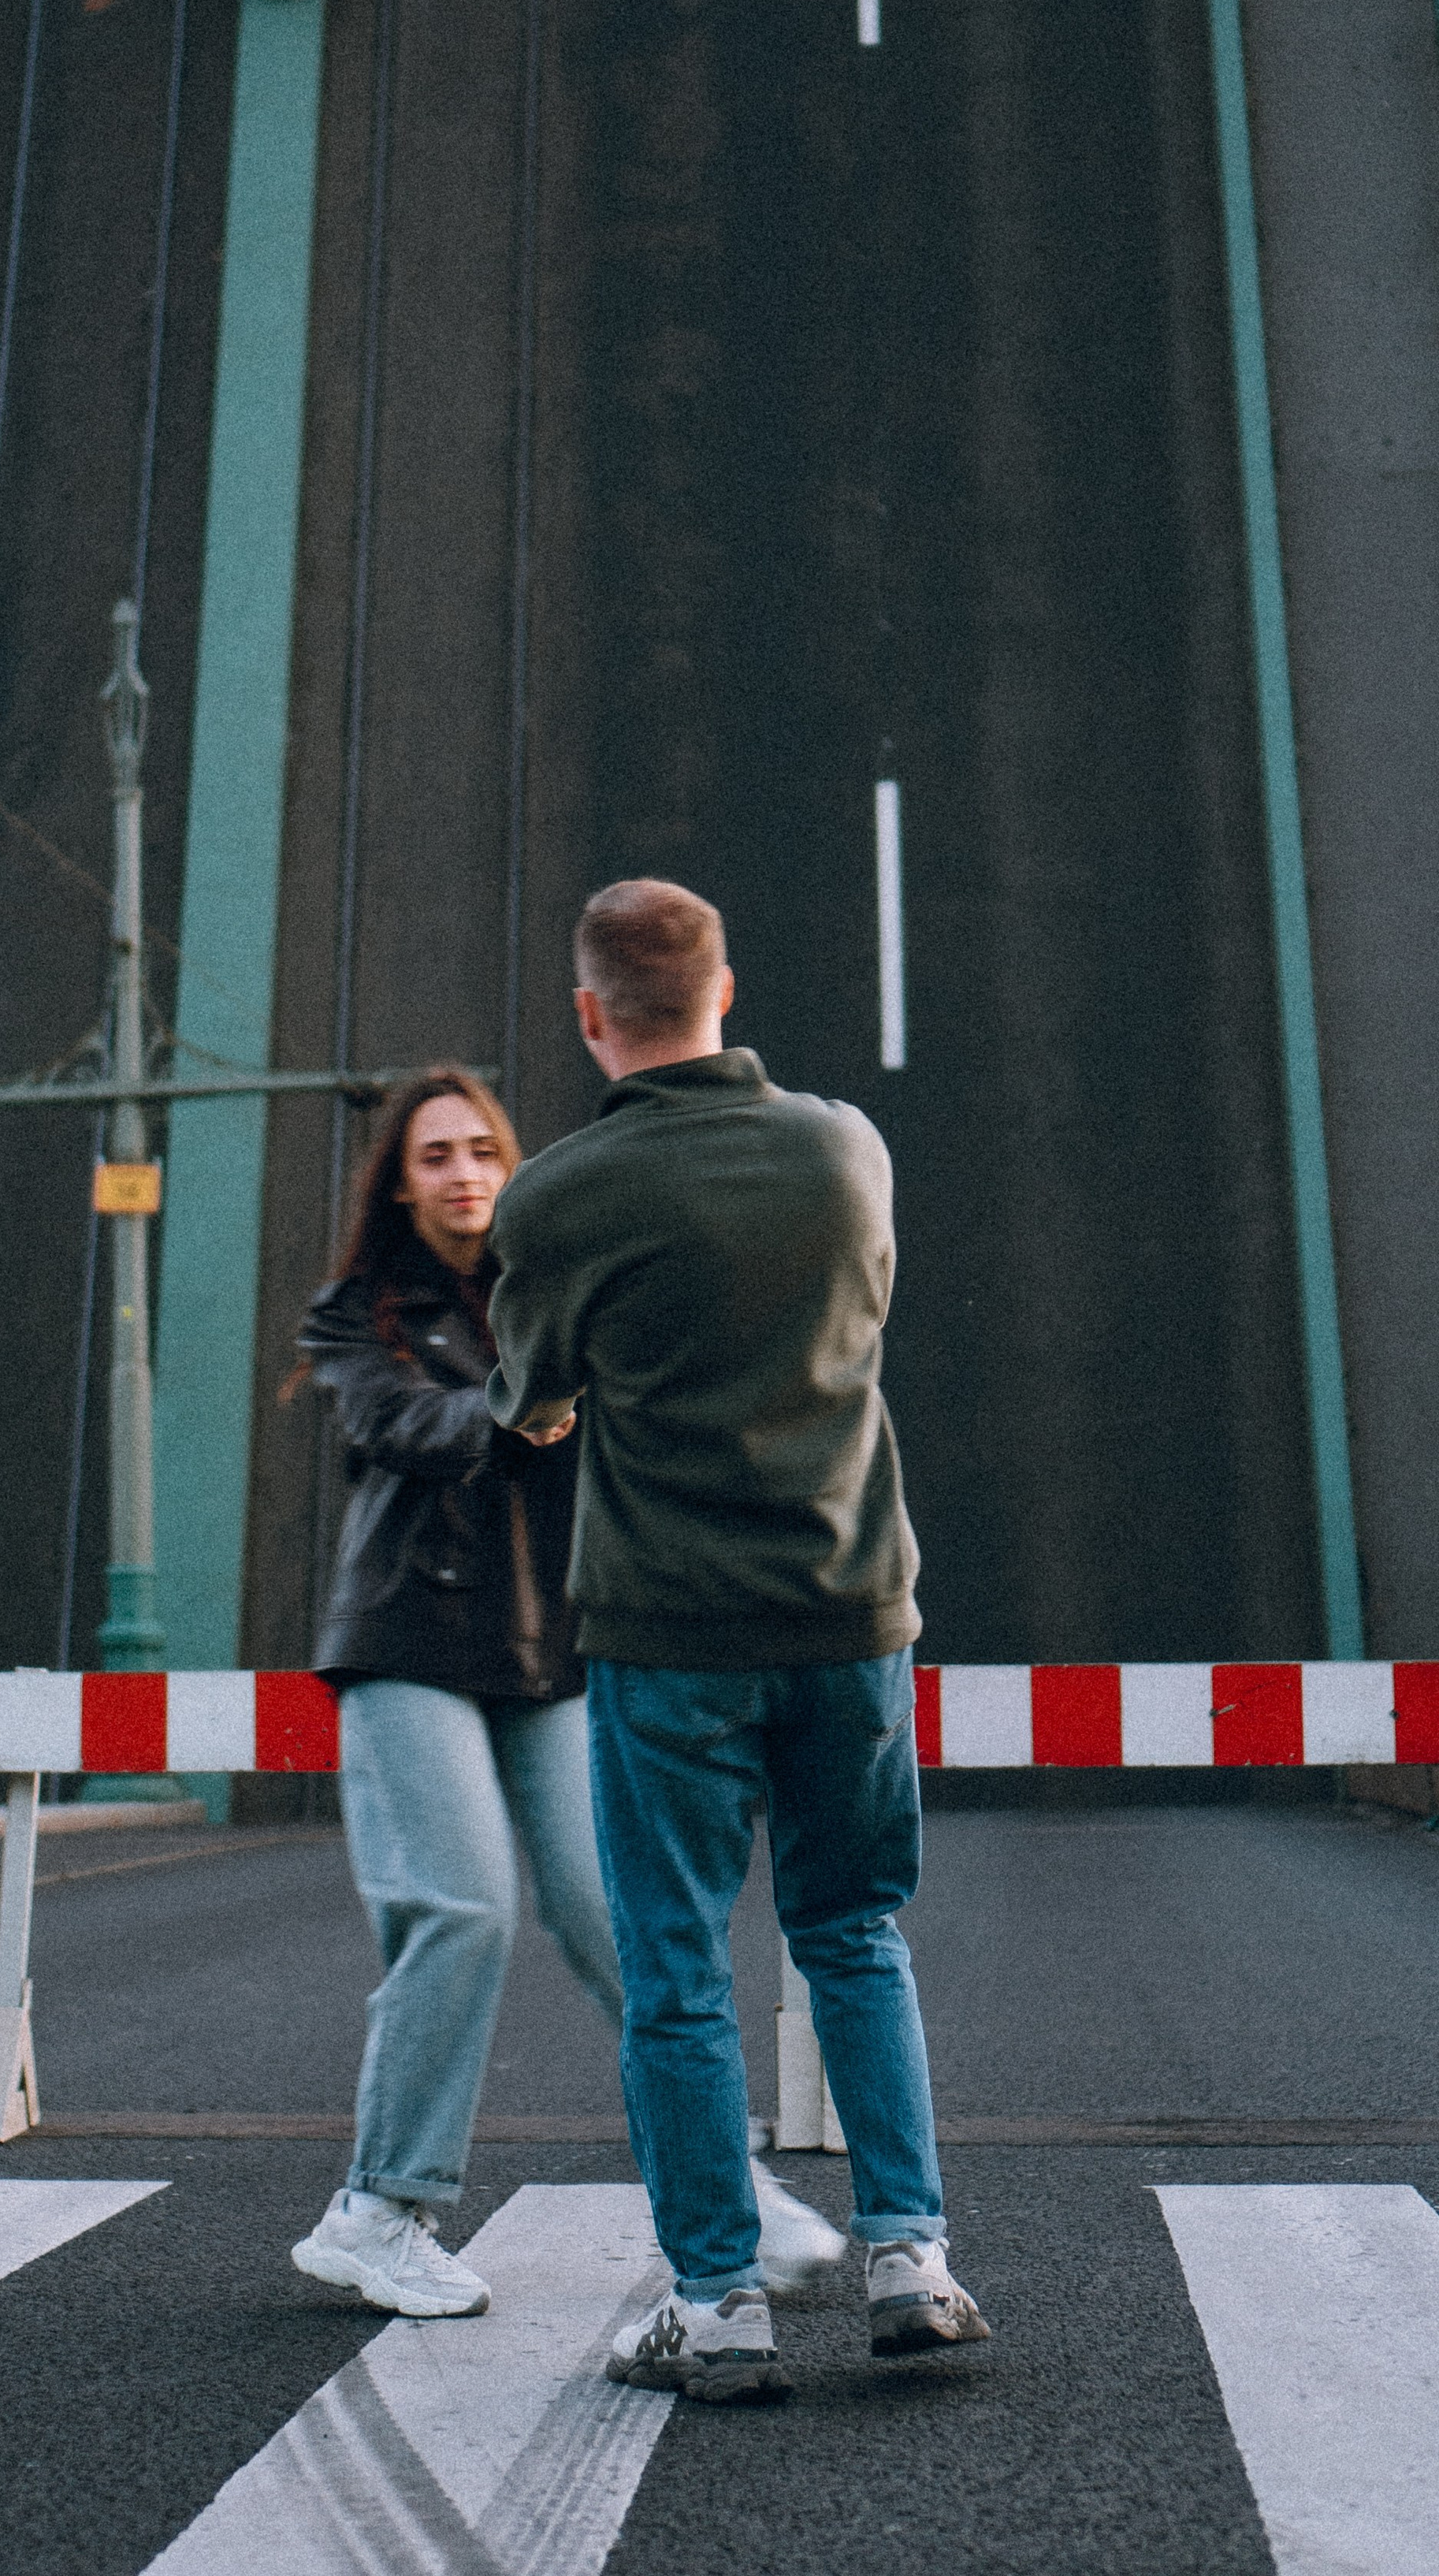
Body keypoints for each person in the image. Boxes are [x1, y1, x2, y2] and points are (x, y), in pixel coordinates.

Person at [485, 880, 989, 2406]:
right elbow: (859, 1318)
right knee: (853, 1930)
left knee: (677, 1967)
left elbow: (531, 1402)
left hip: (670, 1632)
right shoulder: (844, 1149)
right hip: (848, 1610)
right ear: (726, 989)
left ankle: (715, 2305)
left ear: (590, 1014)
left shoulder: (556, 1197)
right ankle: (911, 2258)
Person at [284, 1067, 622, 2320]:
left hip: (546, 1645)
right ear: (401, 1184)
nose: (465, 1172)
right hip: (408, 1636)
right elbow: (397, 1424)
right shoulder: (354, 1316)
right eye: (436, 1156)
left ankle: (722, 2186)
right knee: (465, 1908)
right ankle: (379, 2208)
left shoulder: (557, 1295)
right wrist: (517, 1410)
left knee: (618, 1918)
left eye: (483, 1149)